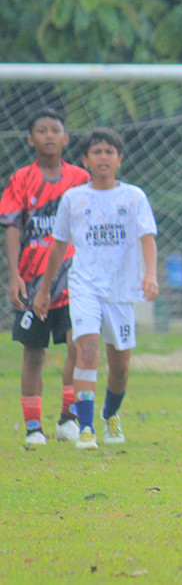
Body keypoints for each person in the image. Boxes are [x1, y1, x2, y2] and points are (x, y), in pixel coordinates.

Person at [33, 128, 159, 450]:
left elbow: (147, 238)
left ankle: (110, 413)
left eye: (109, 152)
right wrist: (44, 289)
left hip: (121, 290)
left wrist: (151, 275)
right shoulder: (74, 198)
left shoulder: (134, 197)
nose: (103, 157)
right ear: (85, 159)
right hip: (84, 285)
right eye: (97, 152)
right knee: (86, 350)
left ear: (119, 159)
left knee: (120, 367)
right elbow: (59, 247)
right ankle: (86, 427)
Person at [1, 108, 91, 446]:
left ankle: (69, 418)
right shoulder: (21, 179)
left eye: (56, 130)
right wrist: (14, 277)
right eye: (42, 130)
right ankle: (33, 426)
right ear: (30, 139)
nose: (49, 136)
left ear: (66, 138)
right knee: (33, 353)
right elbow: (12, 228)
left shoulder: (81, 179)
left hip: (75, 281)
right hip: (33, 281)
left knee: (76, 345)